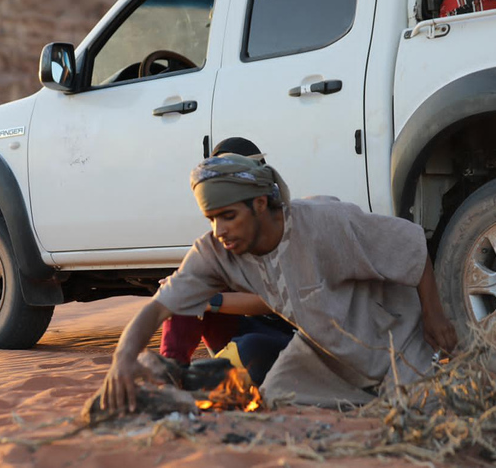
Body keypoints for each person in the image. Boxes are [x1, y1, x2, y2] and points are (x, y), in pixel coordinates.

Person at [100, 154, 458, 413]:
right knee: (273, 399)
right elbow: (158, 307)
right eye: (211, 219)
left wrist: (434, 315)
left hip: (399, 341)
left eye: (228, 216)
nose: (219, 230)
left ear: (260, 204)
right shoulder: (215, 251)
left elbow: (410, 243)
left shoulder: (323, 223)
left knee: (417, 411)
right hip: (324, 353)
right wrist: (122, 358)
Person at [160, 137, 295, 384]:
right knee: (184, 292)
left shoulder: (282, 225)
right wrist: (183, 291)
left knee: (253, 347)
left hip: (293, 336)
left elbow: (276, 302)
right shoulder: (225, 230)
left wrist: (211, 301)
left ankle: (212, 375)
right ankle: (170, 374)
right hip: (241, 328)